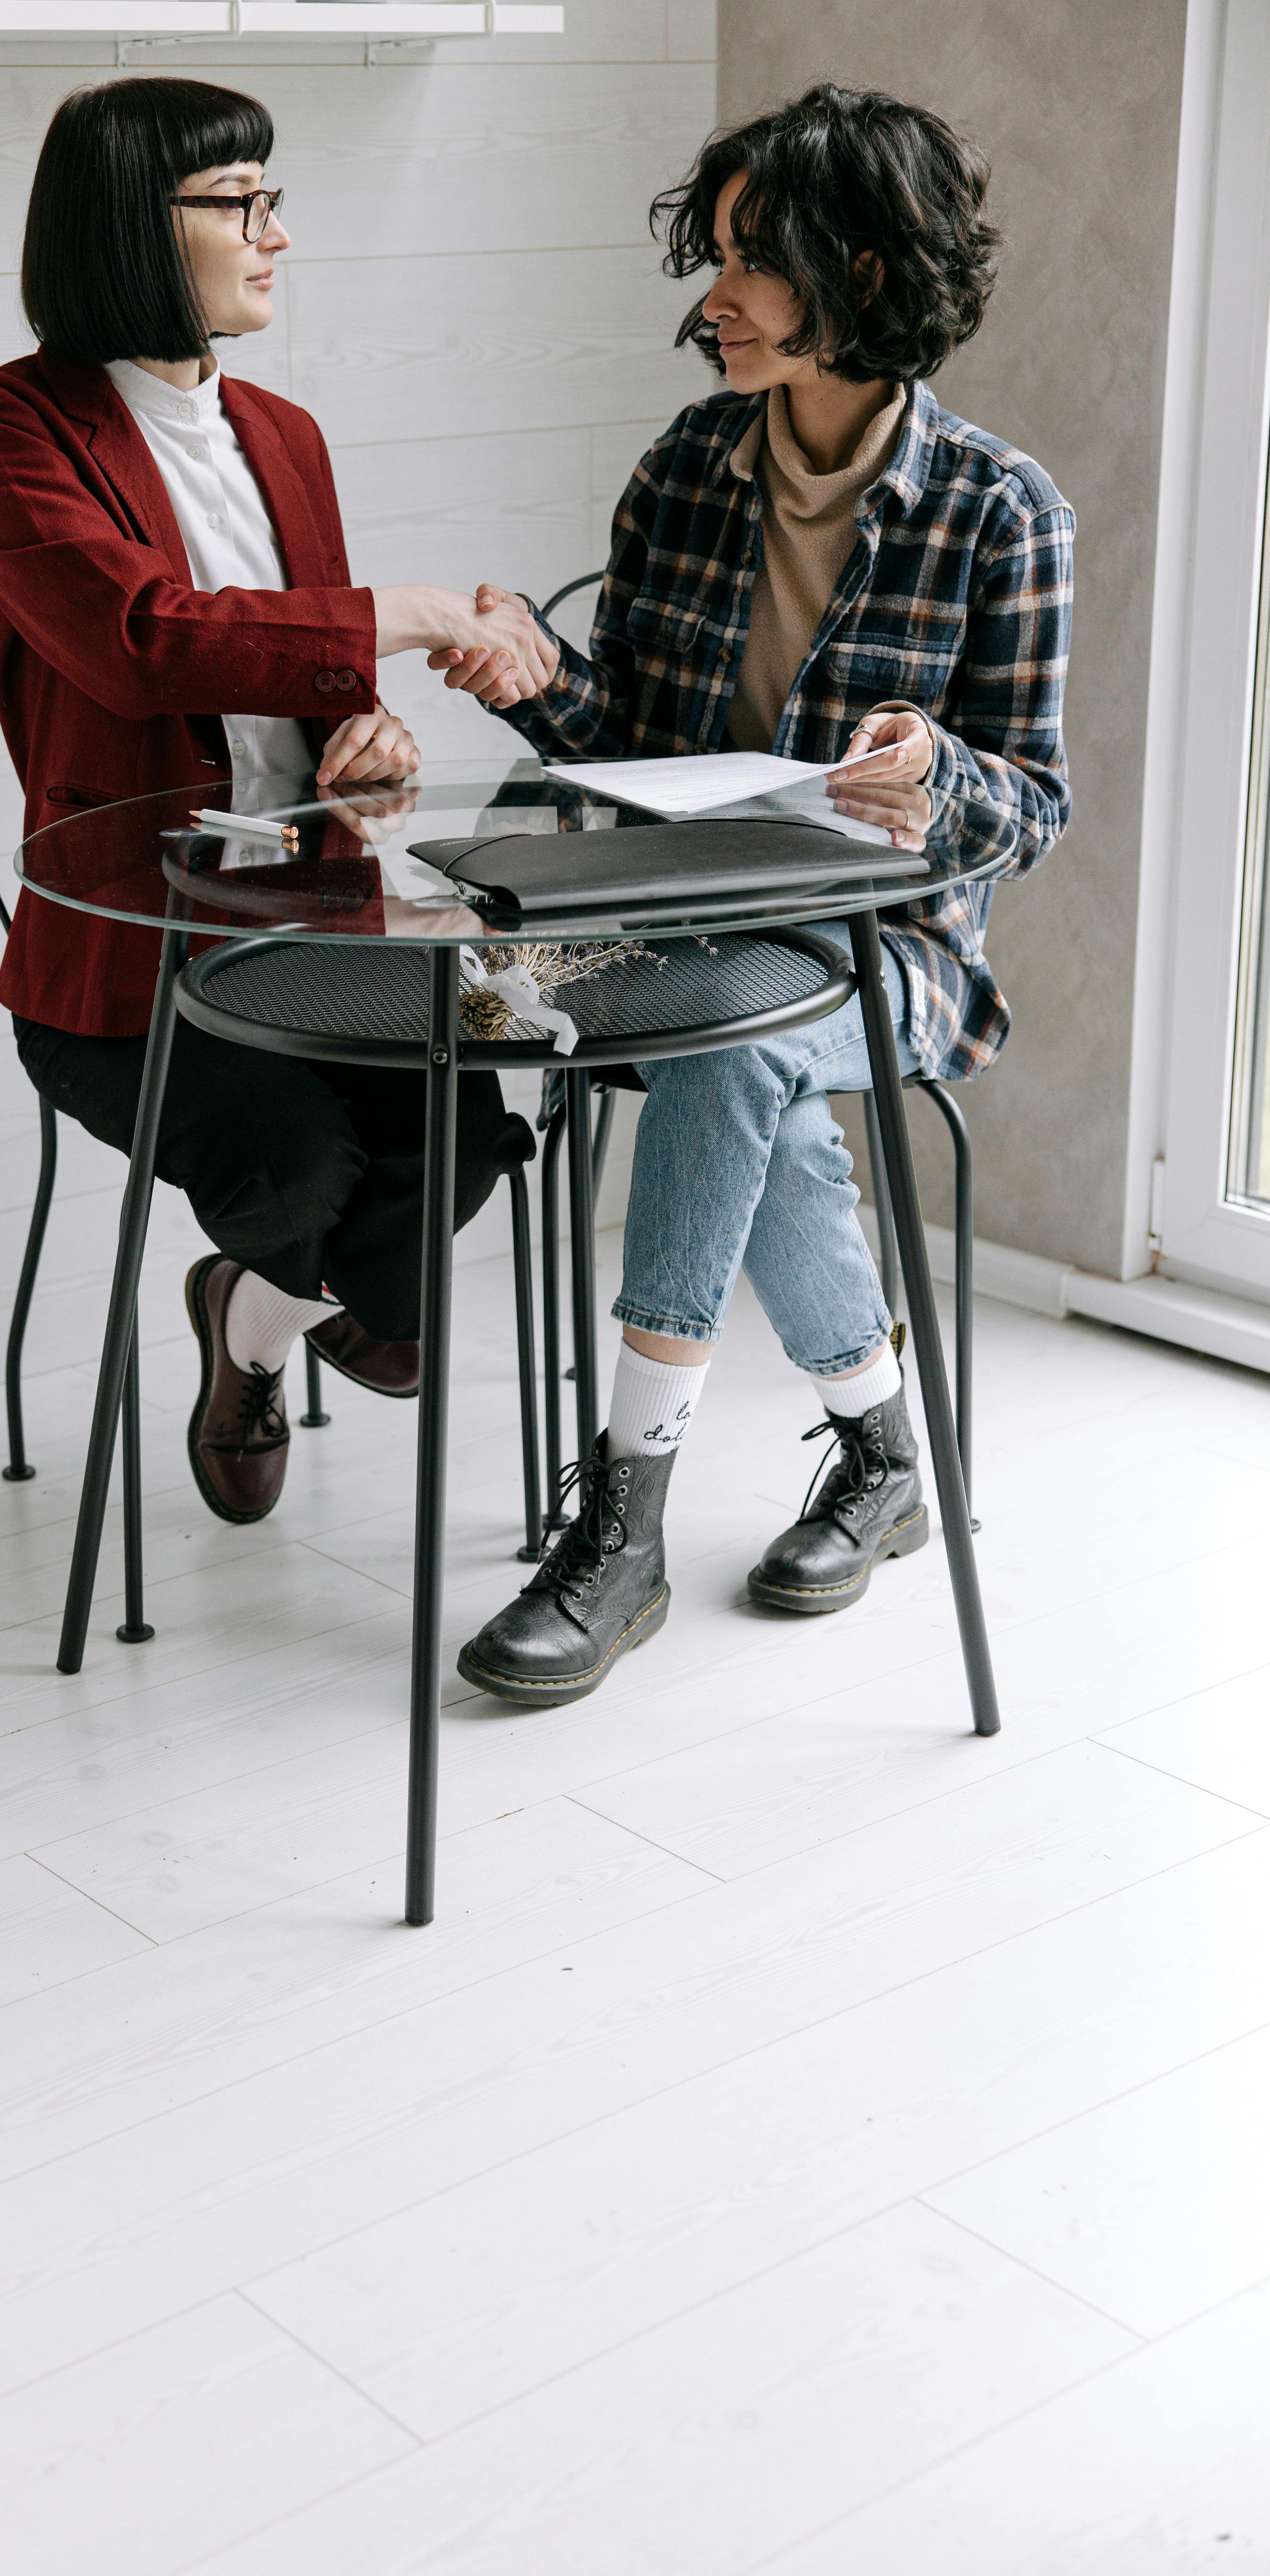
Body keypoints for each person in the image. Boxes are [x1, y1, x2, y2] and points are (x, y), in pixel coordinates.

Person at [437, 82, 1073, 1706]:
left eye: (748, 260)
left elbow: (1034, 809)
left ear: (858, 268)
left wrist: (938, 772)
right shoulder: (686, 466)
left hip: (891, 954)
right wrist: (535, 679)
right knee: (710, 1053)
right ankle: (886, 1454)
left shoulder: (1001, 512)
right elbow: (631, 748)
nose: (710, 298)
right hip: (678, 925)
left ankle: (623, 1529)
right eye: (712, 257)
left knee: (736, 1049)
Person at [0, 78, 549, 1525]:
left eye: (275, 199)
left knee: (477, 1128)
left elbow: (301, 676)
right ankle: (277, 1303)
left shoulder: (286, 434)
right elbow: (138, 640)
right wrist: (403, 613)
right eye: (238, 202)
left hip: (321, 928)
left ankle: (247, 1324)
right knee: (303, 1175)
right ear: (129, 225)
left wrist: (365, 732)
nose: (276, 234)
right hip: (131, 968)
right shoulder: (6, 422)